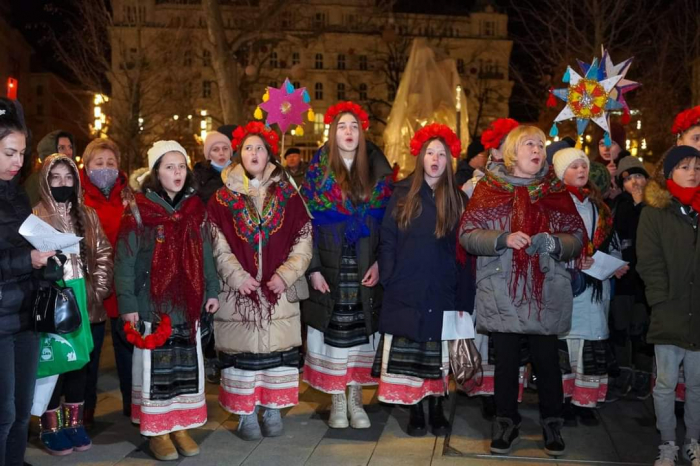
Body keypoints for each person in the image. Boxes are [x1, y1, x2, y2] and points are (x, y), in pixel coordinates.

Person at [460, 125, 584, 457]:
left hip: (545, 290)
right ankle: (506, 422)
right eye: (530, 144)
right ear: (514, 151)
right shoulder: (489, 189)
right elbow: (468, 234)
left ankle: (552, 422)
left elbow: (577, 237)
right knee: (506, 362)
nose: (538, 150)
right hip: (502, 288)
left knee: (547, 362)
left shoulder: (555, 191)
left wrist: (554, 242)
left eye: (541, 146)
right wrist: (502, 238)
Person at [114, 141, 220, 461]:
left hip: (187, 303)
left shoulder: (194, 208)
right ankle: (158, 431)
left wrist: (212, 290)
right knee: (156, 373)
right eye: (169, 166)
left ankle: (180, 426)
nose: (177, 172)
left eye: (181, 166)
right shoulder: (138, 209)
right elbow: (125, 260)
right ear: (155, 172)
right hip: (151, 304)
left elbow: (205, 255)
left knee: (185, 369)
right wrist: (128, 304)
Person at [208, 122, 312, 440]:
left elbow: (304, 238)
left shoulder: (288, 195)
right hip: (237, 293)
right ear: (240, 154)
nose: (255, 153)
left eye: (261, 148)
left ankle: (271, 408)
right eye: (249, 148)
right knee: (242, 360)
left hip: (278, 292)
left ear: (270, 155)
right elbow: (217, 242)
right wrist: (237, 277)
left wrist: (285, 275)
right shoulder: (222, 198)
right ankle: (246, 413)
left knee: (275, 357)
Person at [301, 101, 393, 429]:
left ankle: (356, 397)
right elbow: (304, 227)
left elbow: (388, 226)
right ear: (332, 132)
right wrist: (311, 269)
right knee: (334, 334)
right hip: (329, 264)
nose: (349, 132)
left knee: (361, 333)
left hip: (365, 264)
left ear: (362, 132)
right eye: (342, 126)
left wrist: (382, 262)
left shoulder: (379, 171)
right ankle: (337, 399)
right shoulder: (317, 171)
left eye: (354, 126)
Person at [376, 124, 473, 437]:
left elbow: (464, 248)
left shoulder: (456, 199)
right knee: (411, 352)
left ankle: (436, 406)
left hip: (442, 287)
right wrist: (390, 275)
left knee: (438, 354)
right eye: (430, 152)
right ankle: (415, 409)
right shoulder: (404, 194)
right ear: (420, 157)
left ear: (448, 161)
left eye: (441, 154)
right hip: (407, 285)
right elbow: (388, 237)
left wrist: (463, 291)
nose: (435, 158)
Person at [34, 154, 113, 456]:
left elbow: (104, 252)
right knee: (55, 365)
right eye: (56, 178)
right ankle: (50, 426)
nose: (63, 184)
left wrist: (97, 290)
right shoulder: (36, 215)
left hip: (86, 304)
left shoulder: (88, 214)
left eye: (69, 178)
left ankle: (74, 424)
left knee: (81, 366)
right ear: (45, 181)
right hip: (53, 307)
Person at [637, 145, 700, 466]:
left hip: (698, 312)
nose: (692, 173)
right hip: (669, 310)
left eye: (697, 168)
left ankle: (693, 441)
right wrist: (659, 301)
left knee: (697, 383)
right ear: (669, 172)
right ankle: (667, 443)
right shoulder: (655, 212)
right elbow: (649, 262)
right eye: (684, 167)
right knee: (665, 383)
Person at [552, 148, 625, 426]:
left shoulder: (600, 208)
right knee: (566, 346)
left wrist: (614, 263)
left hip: (595, 288)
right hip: (568, 285)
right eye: (573, 167)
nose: (581, 171)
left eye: (583, 165)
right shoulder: (554, 205)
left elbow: (611, 242)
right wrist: (571, 258)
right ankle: (563, 402)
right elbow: (547, 242)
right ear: (561, 173)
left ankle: (585, 402)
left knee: (590, 345)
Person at [0, 97, 54, 466]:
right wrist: (26, 258)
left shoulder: (17, 193)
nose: (18, 162)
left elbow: (25, 239)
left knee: (22, 410)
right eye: (9, 153)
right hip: (1, 322)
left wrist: (49, 255)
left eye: (21, 154)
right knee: (3, 414)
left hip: (26, 316)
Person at [78, 138, 134, 425]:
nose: (105, 168)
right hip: (92, 286)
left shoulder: (130, 197)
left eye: (110, 163)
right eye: (98, 163)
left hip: (123, 285)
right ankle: (85, 407)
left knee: (127, 346)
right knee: (91, 349)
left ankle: (131, 402)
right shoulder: (77, 198)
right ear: (86, 167)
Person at [609, 156, 653, 401]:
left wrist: (641, 205)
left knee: (641, 329)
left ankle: (642, 374)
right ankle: (623, 372)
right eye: (628, 179)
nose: (635, 182)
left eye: (639, 176)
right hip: (623, 278)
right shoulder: (620, 206)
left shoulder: (654, 206)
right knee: (620, 328)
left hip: (644, 281)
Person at [463, 118, 518, 198]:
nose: (515, 153)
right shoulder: (473, 187)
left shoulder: (529, 185)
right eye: (510, 148)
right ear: (495, 153)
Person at [24, 130, 77, 206]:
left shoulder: (75, 178)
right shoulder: (36, 180)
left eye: (70, 147)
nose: (68, 152)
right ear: (50, 151)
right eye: (62, 148)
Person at [194, 131, 232, 204]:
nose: (221, 153)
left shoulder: (241, 174)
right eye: (215, 150)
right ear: (208, 155)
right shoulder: (200, 178)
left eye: (225, 149)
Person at [594, 123, 626, 200]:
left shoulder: (630, 165)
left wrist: (621, 194)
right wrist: (605, 176)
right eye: (602, 144)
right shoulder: (592, 169)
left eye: (611, 143)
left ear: (621, 146)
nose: (606, 149)